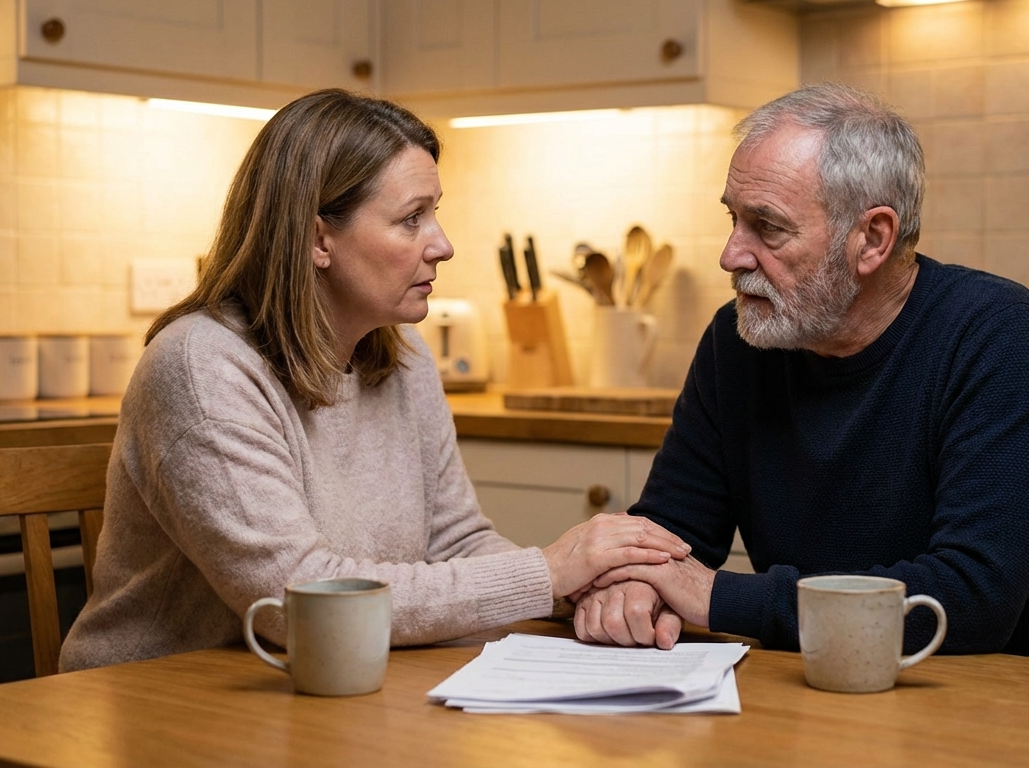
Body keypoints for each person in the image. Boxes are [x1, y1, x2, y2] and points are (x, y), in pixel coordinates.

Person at [61, 89, 690, 672]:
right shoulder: (201, 369)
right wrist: (547, 572)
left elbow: (455, 538)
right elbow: (299, 602)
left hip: (328, 687)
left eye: (434, 214)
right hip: (164, 703)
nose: (442, 245)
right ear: (317, 239)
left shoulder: (401, 354)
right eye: (411, 218)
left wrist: (585, 588)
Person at [572, 83, 1029, 665]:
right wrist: (633, 581)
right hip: (817, 693)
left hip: (1009, 707)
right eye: (733, 218)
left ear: (872, 239)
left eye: (767, 227)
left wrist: (717, 596)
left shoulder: (995, 331)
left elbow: (972, 597)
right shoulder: (738, 340)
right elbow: (666, 535)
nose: (731, 255)